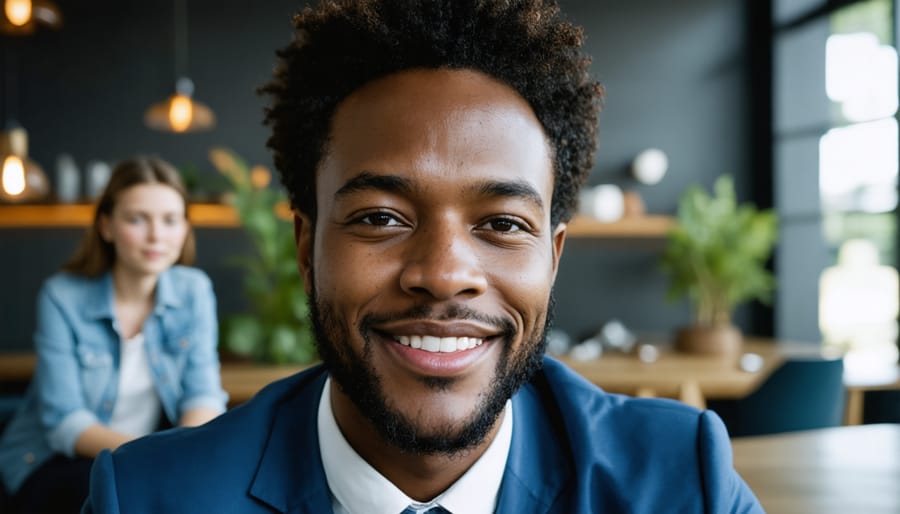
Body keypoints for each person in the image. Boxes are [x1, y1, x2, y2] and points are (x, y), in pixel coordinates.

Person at [84, 1, 764, 513]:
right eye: (380, 218)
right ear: (306, 247)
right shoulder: (149, 498)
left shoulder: (683, 483)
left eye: (501, 223)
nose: (443, 273)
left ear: (552, 258)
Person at [0, 157, 228, 513]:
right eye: (138, 219)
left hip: (150, 458)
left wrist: (185, 456)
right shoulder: (61, 295)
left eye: (170, 220)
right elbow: (65, 422)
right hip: (54, 460)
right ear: (106, 226)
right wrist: (154, 456)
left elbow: (203, 395)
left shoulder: (194, 290)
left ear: (185, 229)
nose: (156, 235)